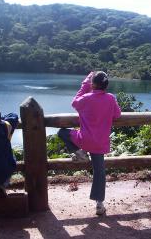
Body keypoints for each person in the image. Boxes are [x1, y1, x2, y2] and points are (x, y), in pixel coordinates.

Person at [58, 71, 121, 215]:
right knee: (99, 171)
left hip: (84, 140)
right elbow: (117, 115)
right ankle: (99, 204)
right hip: (99, 143)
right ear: (106, 85)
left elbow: (75, 102)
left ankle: (80, 153)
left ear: (93, 84)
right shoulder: (110, 98)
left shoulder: (86, 98)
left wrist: (85, 84)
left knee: (62, 133)